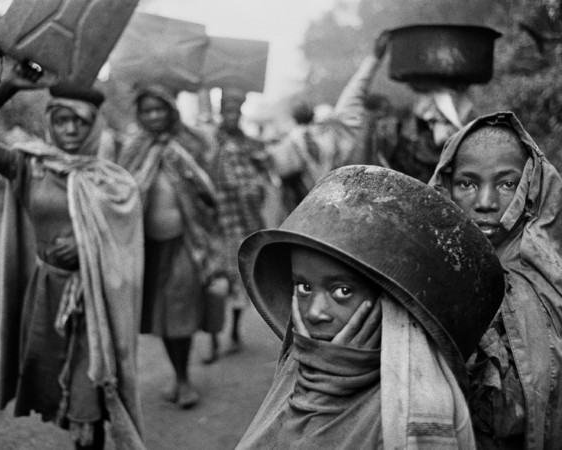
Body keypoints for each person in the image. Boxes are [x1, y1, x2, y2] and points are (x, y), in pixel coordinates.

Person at [236, 165, 505, 449]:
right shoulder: (297, 369)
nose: (314, 312)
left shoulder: (415, 407)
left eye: (342, 291)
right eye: (303, 287)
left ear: (391, 306)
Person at [0, 63, 146, 450]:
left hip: (95, 301)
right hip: (46, 295)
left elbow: (127, 248)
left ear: (94, 126)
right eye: (61, 120)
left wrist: (86, 246)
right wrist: (8, 87)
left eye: (80, 122)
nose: (70, 130)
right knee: (57, 389)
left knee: (89, 398)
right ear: (50, 122)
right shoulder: (29, 165)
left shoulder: (113, 181)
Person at [429, 111, 562, 450]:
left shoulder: (553, 278)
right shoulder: (422, 276)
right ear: (445, 187)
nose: (486, 203)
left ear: (531, 187)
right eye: (467, 184)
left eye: (507, 184)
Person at [110, 83, 228, 407]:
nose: (154, 115)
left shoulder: (187, 143)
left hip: (186, 243)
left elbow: (209, 186)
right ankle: (177, 375)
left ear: (170, 111)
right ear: (140, 116)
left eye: (159, 109)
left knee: (180, 310)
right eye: (147, 110)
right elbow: (120, 192)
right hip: (148, 247)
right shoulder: (132, 150)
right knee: (162, 315)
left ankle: (184, 379)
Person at [340, 31, 475, 183]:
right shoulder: (390, 132)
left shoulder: (474, 135)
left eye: (455, 89)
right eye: (426, 91)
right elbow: (353, 177)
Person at [206, 87, 273, 354]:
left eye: (236, 111)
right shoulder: (210, 141)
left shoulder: (250, 143)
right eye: (227, 111)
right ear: (220, 112)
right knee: (212, 281)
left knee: (239, 280)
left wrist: (255, 184)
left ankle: (233, 332)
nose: (232, 116)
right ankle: (212, 339)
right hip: (215, 221)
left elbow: (266, 173)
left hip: (244, 221)